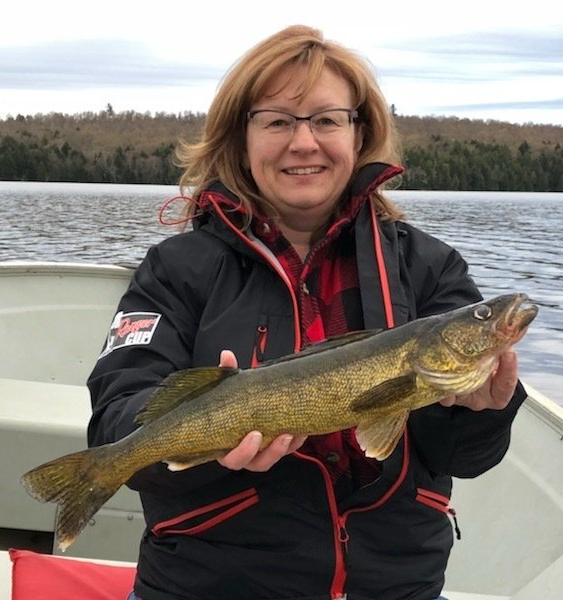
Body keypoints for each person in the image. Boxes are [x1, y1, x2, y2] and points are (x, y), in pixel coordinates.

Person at [87, 24, 525, 600]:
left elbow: (463, 458)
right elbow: (116, 423)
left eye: (326, 119)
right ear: (240, 137)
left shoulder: (428, 266)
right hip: (210, 585)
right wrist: (212, 439)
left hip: (395, 587)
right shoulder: (176, 270)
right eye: (277, 121)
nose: (304, 142)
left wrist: (483, 411)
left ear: (358, 132)